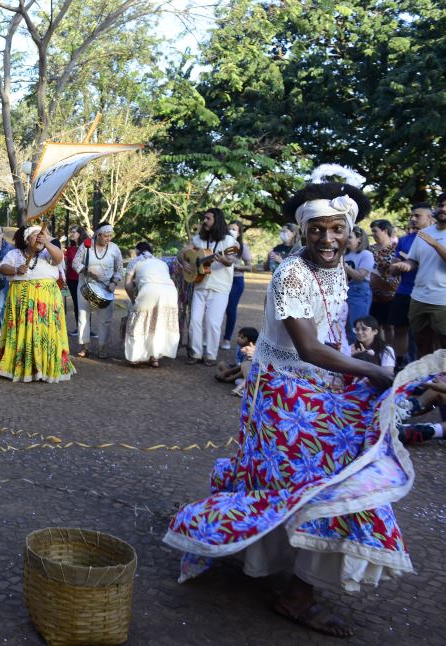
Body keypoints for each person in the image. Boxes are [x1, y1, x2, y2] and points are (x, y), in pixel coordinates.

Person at [164, 181, 421, 639]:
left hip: (320, 389)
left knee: (315, 481)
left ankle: (283, 574)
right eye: (317, 230)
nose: (327, 239)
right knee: (318, 484)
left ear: (350, 232)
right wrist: (375, 372)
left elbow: (332, 333)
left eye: (337, 230)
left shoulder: (337, 268)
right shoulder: (292, 274)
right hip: (284, 396)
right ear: (302, 232)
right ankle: (294, 592)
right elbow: (306, 346)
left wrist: (360, 361)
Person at [0, 225, 73, 382]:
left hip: (47, 300)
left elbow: (59, 258)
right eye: (35, 235)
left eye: (42, 235)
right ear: (26, 239)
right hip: (22, 299)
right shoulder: (15, 254)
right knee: (23, 332)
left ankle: (46, 367)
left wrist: (48, 243)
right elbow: (2, 268)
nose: (39, 237)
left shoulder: (47, 253)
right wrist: (16, 270)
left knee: (45, 331)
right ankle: (23, 366)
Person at [179, 208, 237, 365]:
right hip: (199, 284)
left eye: (208, 218)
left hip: (220, 287)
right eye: (204, 218)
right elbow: (183, 252)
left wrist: (223, 260)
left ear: (217, 220)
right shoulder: (198, 239)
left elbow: (231, 260)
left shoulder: (229, 241)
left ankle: (210, 355)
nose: (204, 221)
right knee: (195, 321)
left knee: (212, 323)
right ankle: (196, 354)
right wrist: (185, 263)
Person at [391, 194, 446, 359]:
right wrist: (404, 265)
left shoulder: (428, 238)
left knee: (443, 344)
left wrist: (436, 244)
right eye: (440, 205)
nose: (443, 209)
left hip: (442, 300)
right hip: (419, 297)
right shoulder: (423, 234)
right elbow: (413, 261)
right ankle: (422, 379)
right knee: (421, 342)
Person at [388, 205, 434, 369]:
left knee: (425, 335)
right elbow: (393, 270)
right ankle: (399, 366)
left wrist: (411, 263)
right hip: (404, 291)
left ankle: (425, 369)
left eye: (417, 216)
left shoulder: (436, 239)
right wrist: (395, 266)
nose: (413, 219)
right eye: (412, 215)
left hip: (427, 294)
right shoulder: (404, 240)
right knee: (399, 329)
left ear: (430, 217)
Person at [123, 242, 179, 367]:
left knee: (138, 322)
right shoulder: (161, 262)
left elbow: (127, 284)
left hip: (149, 289)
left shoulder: (135, 261)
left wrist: (133, 299)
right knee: (159, 323)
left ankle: (135, 357)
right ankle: (155, 358)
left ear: (137, 251)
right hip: (170, 291)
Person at [72, 221, 124, 359]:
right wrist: (88, 269)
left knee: (105, 319)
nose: (109, 239)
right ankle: (84, 346)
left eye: (110, 236)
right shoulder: (86, 245)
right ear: (98, 235)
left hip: (106, 289)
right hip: (85, 286)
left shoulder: (114, 248)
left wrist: (114, 282)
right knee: (83, 317)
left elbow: (119, 270)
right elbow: (75, 263)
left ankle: (102, 346)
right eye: (106, 236)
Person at [220, 221, 252, 350]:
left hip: (236, 280)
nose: (231, 231)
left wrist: (236, 267)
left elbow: (249, 266)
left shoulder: (243, 247)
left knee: (230, 309)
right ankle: (212, 337)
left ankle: (227, 339)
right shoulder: (221, 245)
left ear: (239, 233)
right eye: (229, 229)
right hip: (221, 280)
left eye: (234, 229)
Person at [367, 219, 400, 346]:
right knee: (375, 326)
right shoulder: (370, 250)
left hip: (392, 295)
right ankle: (378, 351)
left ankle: (390, 353)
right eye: (372, 231)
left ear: (385, 230)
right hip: (373, 295)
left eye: (375, 231)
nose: (373, 234)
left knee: (389, 327)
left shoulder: (396, 249)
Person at [214, 326, 259, 395]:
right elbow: (237, 362)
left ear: (250, 342)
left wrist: (227, 374)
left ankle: (229, 379)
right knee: (221, 364)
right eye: (238, 336)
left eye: (242, 338)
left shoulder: (250, 352)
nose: (238, 338)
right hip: (237, 369)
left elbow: (242, 368)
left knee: (238, 379)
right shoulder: (239, 347)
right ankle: (230, 377)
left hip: (244, 372)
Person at [63, 226, 87, 334]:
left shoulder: (87, 247)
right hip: (71, 279)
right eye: (71, 232)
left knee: (86, 304)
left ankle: (87, 328)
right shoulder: (69, 249)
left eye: (74, 232)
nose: (72, 234)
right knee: (77, 303)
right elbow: (65, 262)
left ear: (80, 233)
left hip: (83, 279)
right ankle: (79, 327)